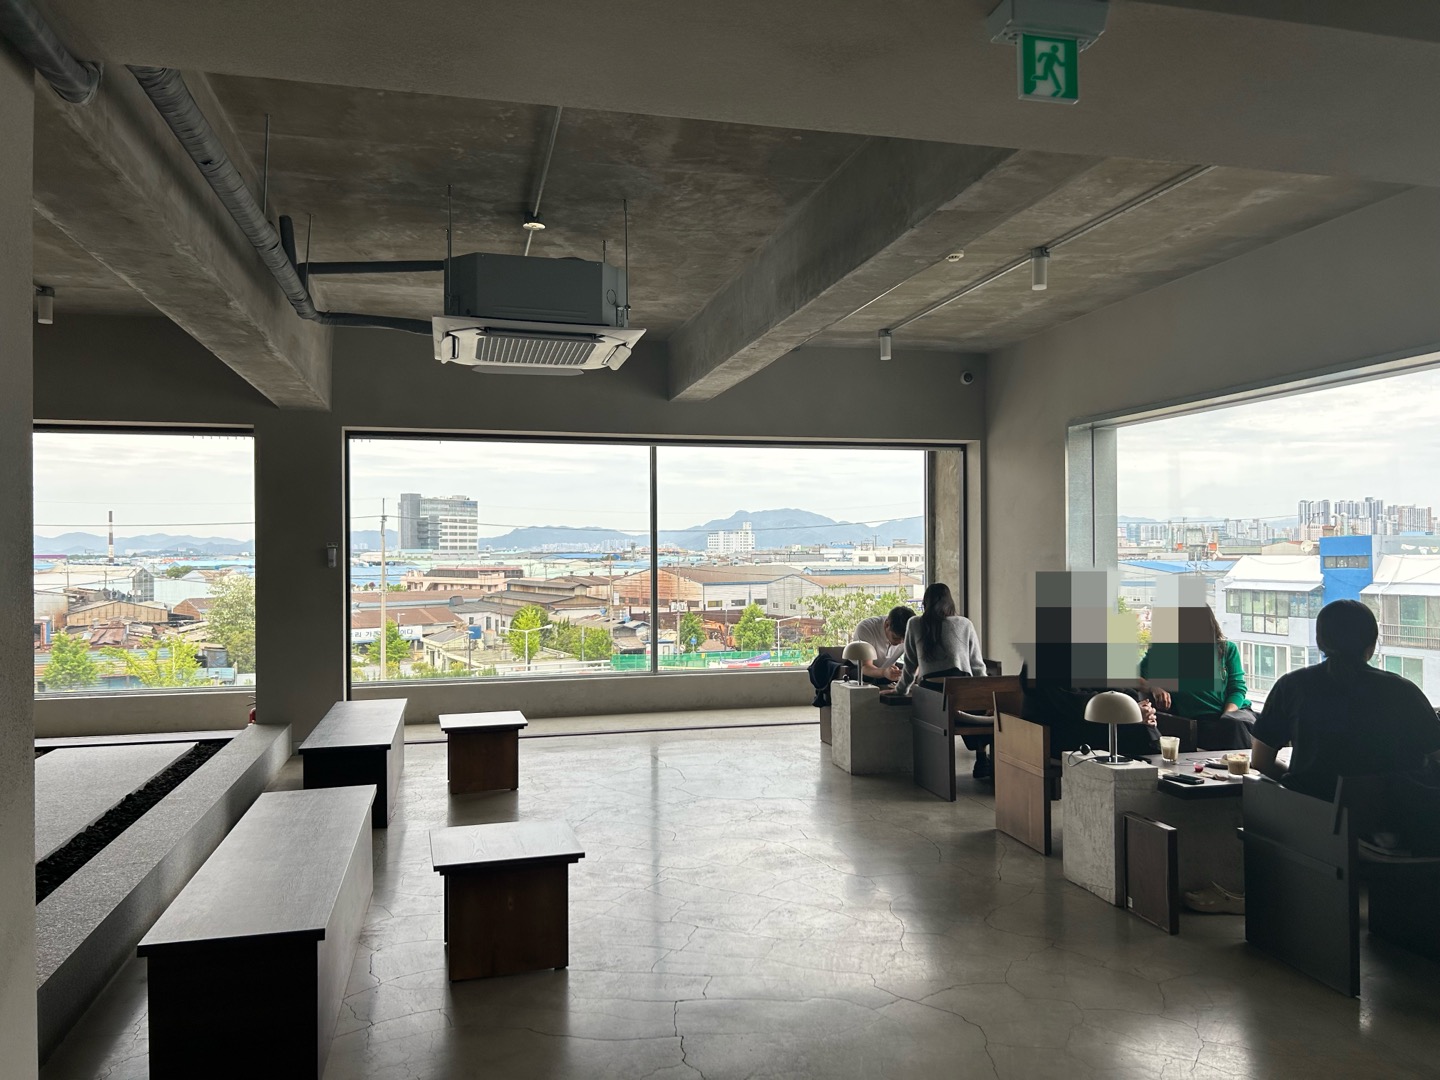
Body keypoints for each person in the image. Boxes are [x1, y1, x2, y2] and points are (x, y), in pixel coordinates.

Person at [1251, 599, 1440, 800]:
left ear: (1320, 641)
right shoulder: (1403, 691)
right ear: (1372, 643)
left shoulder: (1292, 686)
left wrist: (1301, 785)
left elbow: (1261, 760)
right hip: (1385, 812)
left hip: (1308, 813)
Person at [1140, 604, 1256, 750]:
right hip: (1201, 721)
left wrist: (1227, 716)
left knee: (1235, 726)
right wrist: (1154, 687)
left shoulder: (1226, 649)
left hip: (1235, 712)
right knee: (1232, 732)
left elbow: (1237, 689)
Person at [896, 584, 984, 695]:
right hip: (961, 687)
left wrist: (900, 690)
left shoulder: (915, 623)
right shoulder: (965, 624)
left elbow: (910, 665)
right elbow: (976, 665)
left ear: (926, 602)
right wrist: (986, 692)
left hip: (930, 686)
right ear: (950, 602)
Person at [852, 605, 914, 684]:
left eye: (905, 639)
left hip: (887, 673)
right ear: (887, 625)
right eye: (896, 638)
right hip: (860, 671)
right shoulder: (866, 628)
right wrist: (884, 672)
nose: (900, 642)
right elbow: (865, 667)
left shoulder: (913, 632)